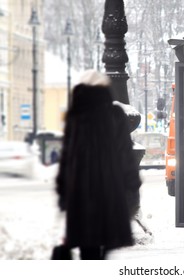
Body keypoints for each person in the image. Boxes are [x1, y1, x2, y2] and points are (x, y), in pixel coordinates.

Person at [55, 70, 142, 260]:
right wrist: (132, 182)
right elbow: (124, 152)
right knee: (105, 240)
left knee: (87, 243)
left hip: (80, 190)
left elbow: (67, 157)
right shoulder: (115, 115)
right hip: (108, 188)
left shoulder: (75, 116)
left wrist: (63, 190)